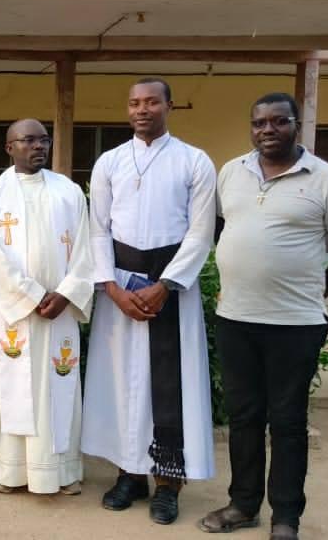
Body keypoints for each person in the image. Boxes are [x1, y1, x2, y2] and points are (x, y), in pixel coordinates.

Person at [199, 93, 328, 540]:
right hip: (235, 318)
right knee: (243, 416)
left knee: (288, 420)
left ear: (297, 125)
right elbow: (220, 230)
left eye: (278, 122)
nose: (267, 130)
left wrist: (314, 290)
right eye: (258, 123)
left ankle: (286, 517)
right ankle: (243, 504)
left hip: (296, 324)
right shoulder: (231, 173)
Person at [81, 78, 218, 524]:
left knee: (169, 384)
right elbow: (98, 228)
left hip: (171, 287)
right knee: (122, 382)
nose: (142, 110)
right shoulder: (110, 162)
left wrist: (166, 284)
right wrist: (112, 288)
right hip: (120, 285)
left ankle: (168, 482)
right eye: (134, 103)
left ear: (169, 106)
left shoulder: (194, 161)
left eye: (151, 102)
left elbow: (200, 233)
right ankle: (128, 475)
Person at [0, 119, 95, 496]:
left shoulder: (69, 192)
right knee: (14, 389)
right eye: (28, 140)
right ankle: (10, 470)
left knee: (61, 388)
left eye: (43, 140)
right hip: (16, 313)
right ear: (9, 147)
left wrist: (67, 293)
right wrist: (30, 294)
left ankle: (61, 470)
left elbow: (86, 249)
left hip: (59, 312)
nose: (38, 146)